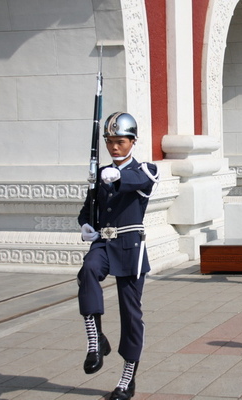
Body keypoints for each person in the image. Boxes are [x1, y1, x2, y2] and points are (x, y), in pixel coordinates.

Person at [78, 112, 159, 400]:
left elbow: (142, 180)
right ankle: (95, 339)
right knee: (87, 270)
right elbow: (88, 210)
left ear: (132, 142)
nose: (114, 147)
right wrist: (86, 225)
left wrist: (118, 175)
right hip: (103, 243)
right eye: (110, 141)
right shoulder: (99, 173)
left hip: (129, 248)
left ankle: (127, 378)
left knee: (130, 314)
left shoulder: (146, 169)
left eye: (120, 141)